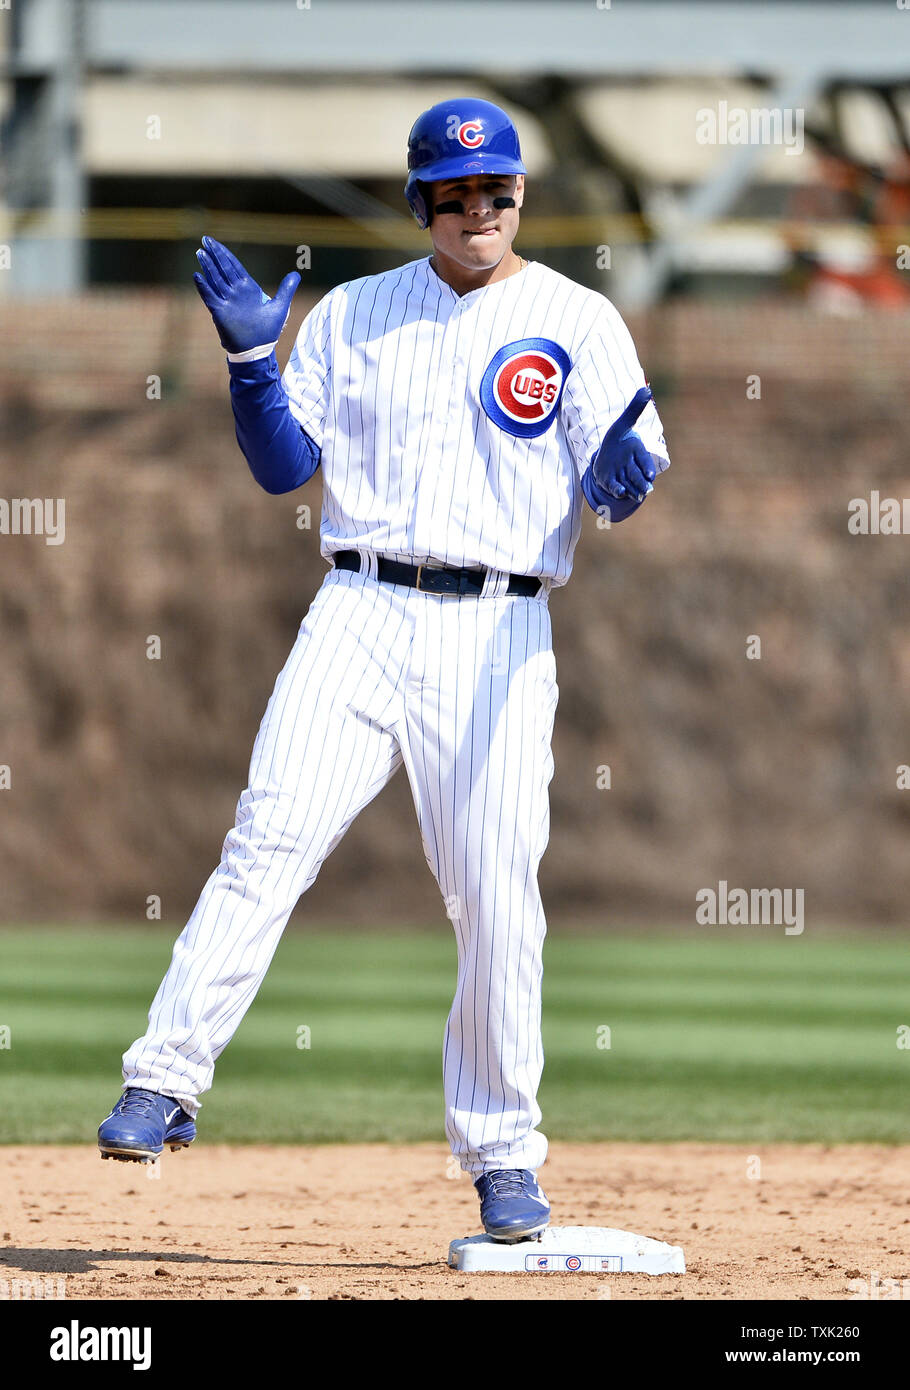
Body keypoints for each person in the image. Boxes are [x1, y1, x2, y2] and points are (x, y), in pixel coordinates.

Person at [97, 98, 670, 1244]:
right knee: (269, 834)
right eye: (455, 193)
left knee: (496, 896)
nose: (479, 210)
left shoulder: (575, 317)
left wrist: (618, 471)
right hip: (357, 606)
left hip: (498, 628)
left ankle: (504, 1154)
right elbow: (282, 471)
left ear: (518, 199)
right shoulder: (356, 313)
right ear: (420, 203)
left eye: (497, 191)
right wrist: (255, 361)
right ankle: (162, 1079)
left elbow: (629, 467)